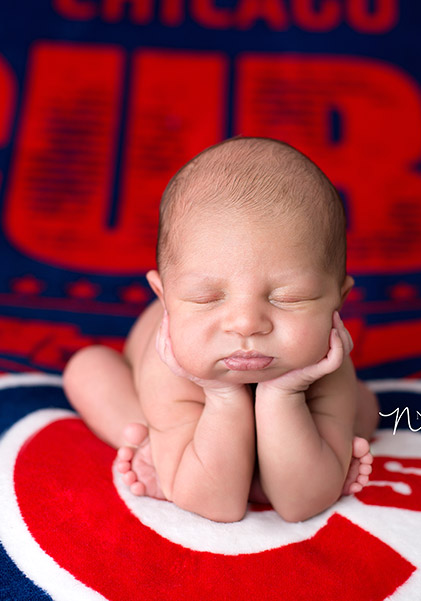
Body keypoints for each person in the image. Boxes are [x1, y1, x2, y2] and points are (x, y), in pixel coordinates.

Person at [63, 137, 379, 523]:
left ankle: (270, 459)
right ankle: (156, 445)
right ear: (165, 298)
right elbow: (217, 504)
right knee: (88, 368)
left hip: (293, 394)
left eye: (289, 297)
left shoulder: (326, 369)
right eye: (206, 298)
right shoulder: (173, 365)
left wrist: (285, 393)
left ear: (337, 300)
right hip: (153, 393)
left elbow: (301, 504)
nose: (246, 323)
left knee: (365, 404)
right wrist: (221, 395)